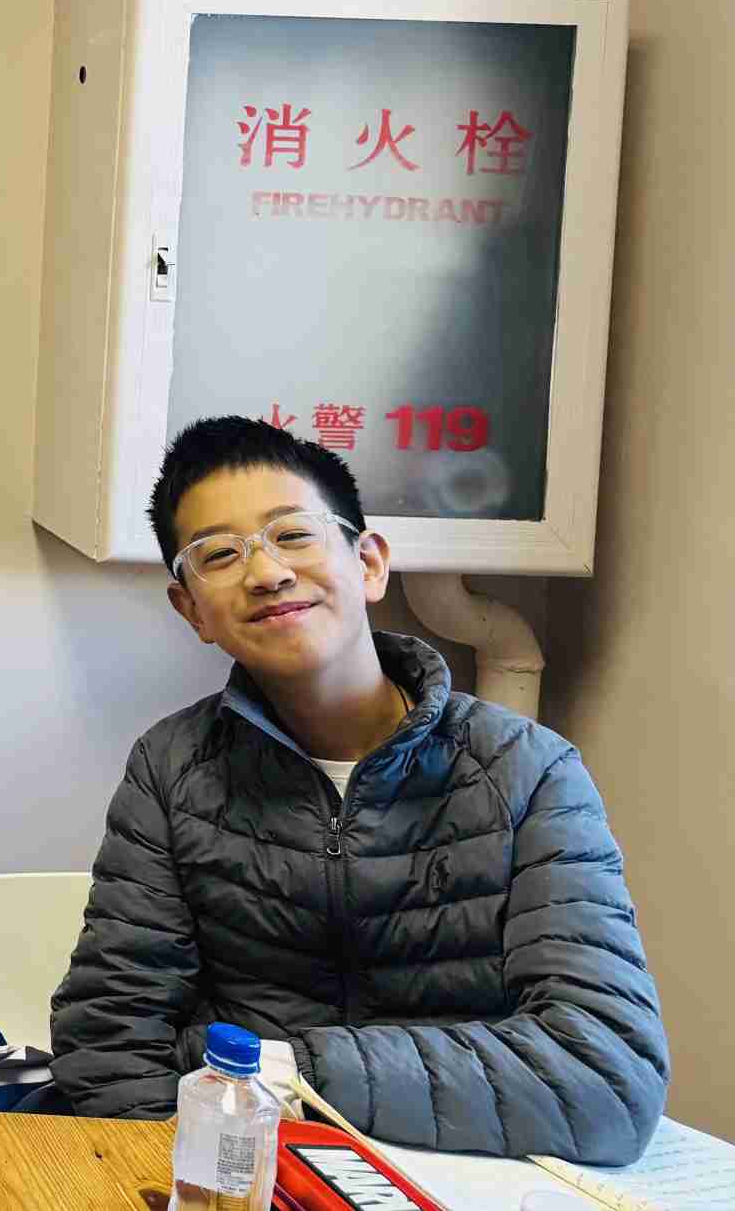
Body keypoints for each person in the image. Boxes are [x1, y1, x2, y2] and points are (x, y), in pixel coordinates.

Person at [49, 415, 666, 1163]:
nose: (266, 572)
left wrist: (285, 1076)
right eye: (219, 554)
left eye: (293, 534)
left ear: (369, 563)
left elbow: (607, 1077)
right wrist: (198, 1177)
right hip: (242, 1171)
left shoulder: (527, 770)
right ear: (192, 611)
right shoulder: (173, 768)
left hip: (469, 1175)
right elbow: (110, 1036)